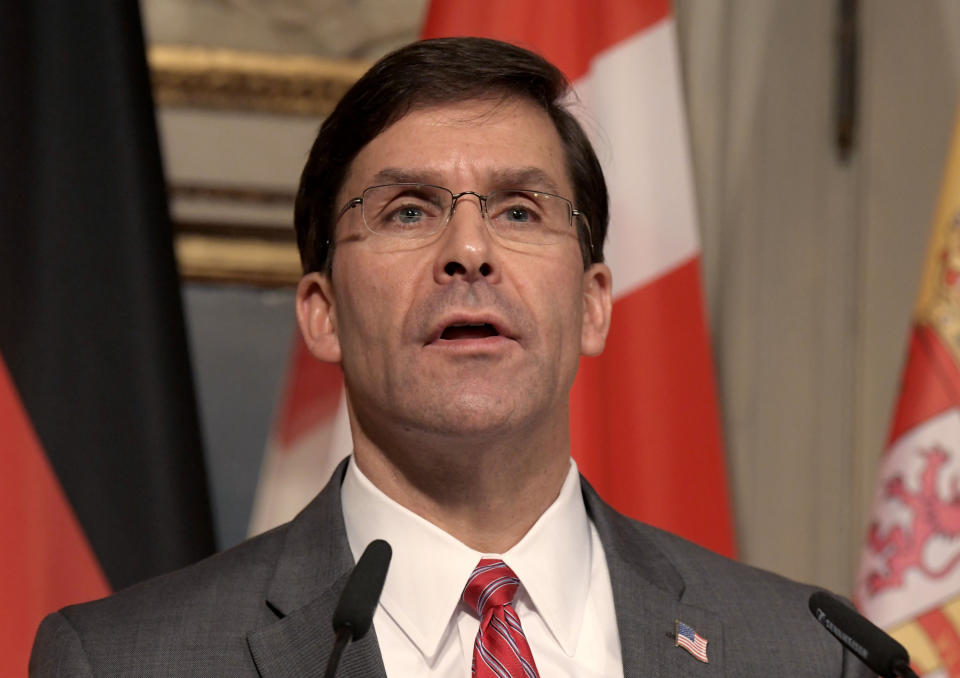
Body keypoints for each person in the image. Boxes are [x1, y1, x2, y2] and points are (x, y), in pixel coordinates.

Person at [30, 37, 872, 677]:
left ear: (593, 303)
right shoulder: (124, 663)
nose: (469, 249)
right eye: (406, 211)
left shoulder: (807, 654)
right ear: (321, 314)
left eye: (519, 211)